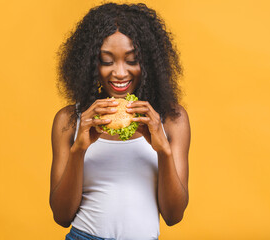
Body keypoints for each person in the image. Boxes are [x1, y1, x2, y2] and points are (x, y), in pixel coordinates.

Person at [50, 3, 191, 240]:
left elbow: (173, 215)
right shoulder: (70, 120)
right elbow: (61, 216)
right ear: (90, 64)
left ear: (148, 63)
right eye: (107, 61)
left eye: (132, 60)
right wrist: (79, 149)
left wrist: (163, 150)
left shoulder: (171, 120)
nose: (120, 73)